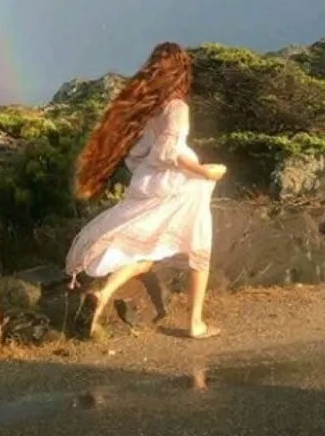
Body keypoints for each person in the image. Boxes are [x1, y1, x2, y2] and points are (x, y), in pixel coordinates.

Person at [65, 42, 227, 340]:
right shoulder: (177, 108)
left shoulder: (150, 110)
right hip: (181, 186)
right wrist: (207, 172)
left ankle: (104, 293)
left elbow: (138, 155)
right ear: (181, 73)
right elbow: (170, 150)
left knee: (149, 251)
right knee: (198, 250)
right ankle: (195, 323)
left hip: (148, 182)